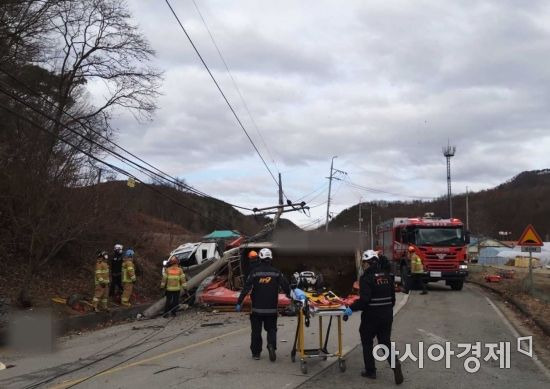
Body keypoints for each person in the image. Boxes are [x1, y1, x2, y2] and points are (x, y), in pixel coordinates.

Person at [350, 250, 403, 385]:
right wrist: (386, 310)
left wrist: (351, 308)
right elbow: (392, 298)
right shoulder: (386, 276)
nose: (364, 266)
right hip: (386, 315)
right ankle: (394, 363)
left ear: (368, 263)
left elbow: (364, 301)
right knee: (384, 341)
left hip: (371, 316)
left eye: (364, 263)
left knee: (367, 342)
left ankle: (370, 371)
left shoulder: (366, 278)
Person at [236, 248, 290, 362]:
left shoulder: (254, 273)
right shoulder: (276, 272)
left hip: (256, 310)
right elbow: (286, 286)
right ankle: (271, 345)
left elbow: (246, 288)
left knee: (256, 331)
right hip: (271, 309)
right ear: (270, 258)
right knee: (271, 329)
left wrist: (239, 302)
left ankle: (256, 353)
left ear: (260, 258)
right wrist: (292, 297)